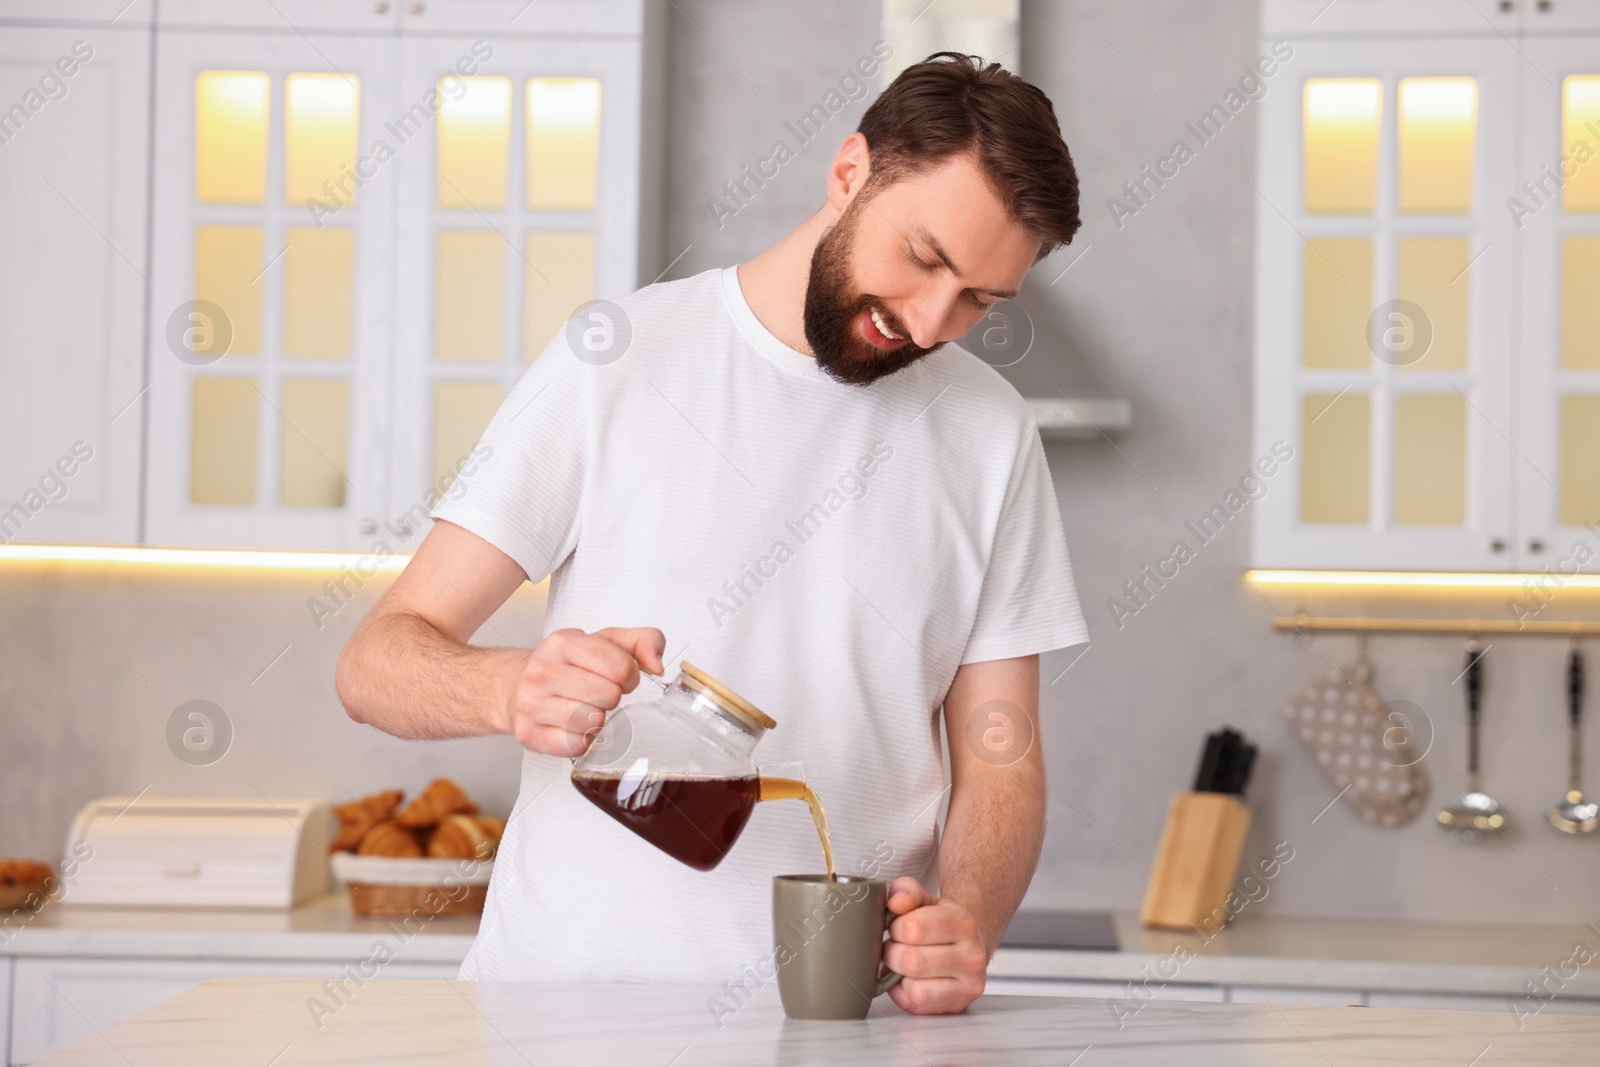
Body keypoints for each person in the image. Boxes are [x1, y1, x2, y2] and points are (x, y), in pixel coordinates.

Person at [337, 52, 1087, 1016]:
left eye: (981, 299)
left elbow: (1002, 754)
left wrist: (967, 916)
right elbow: (374, 663)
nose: (934, 319)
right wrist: (509, 685)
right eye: (926, 259)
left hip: (830, 1026)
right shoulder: (617, 360)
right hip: (557, 1016)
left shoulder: (992, 434)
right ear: (851, 171)